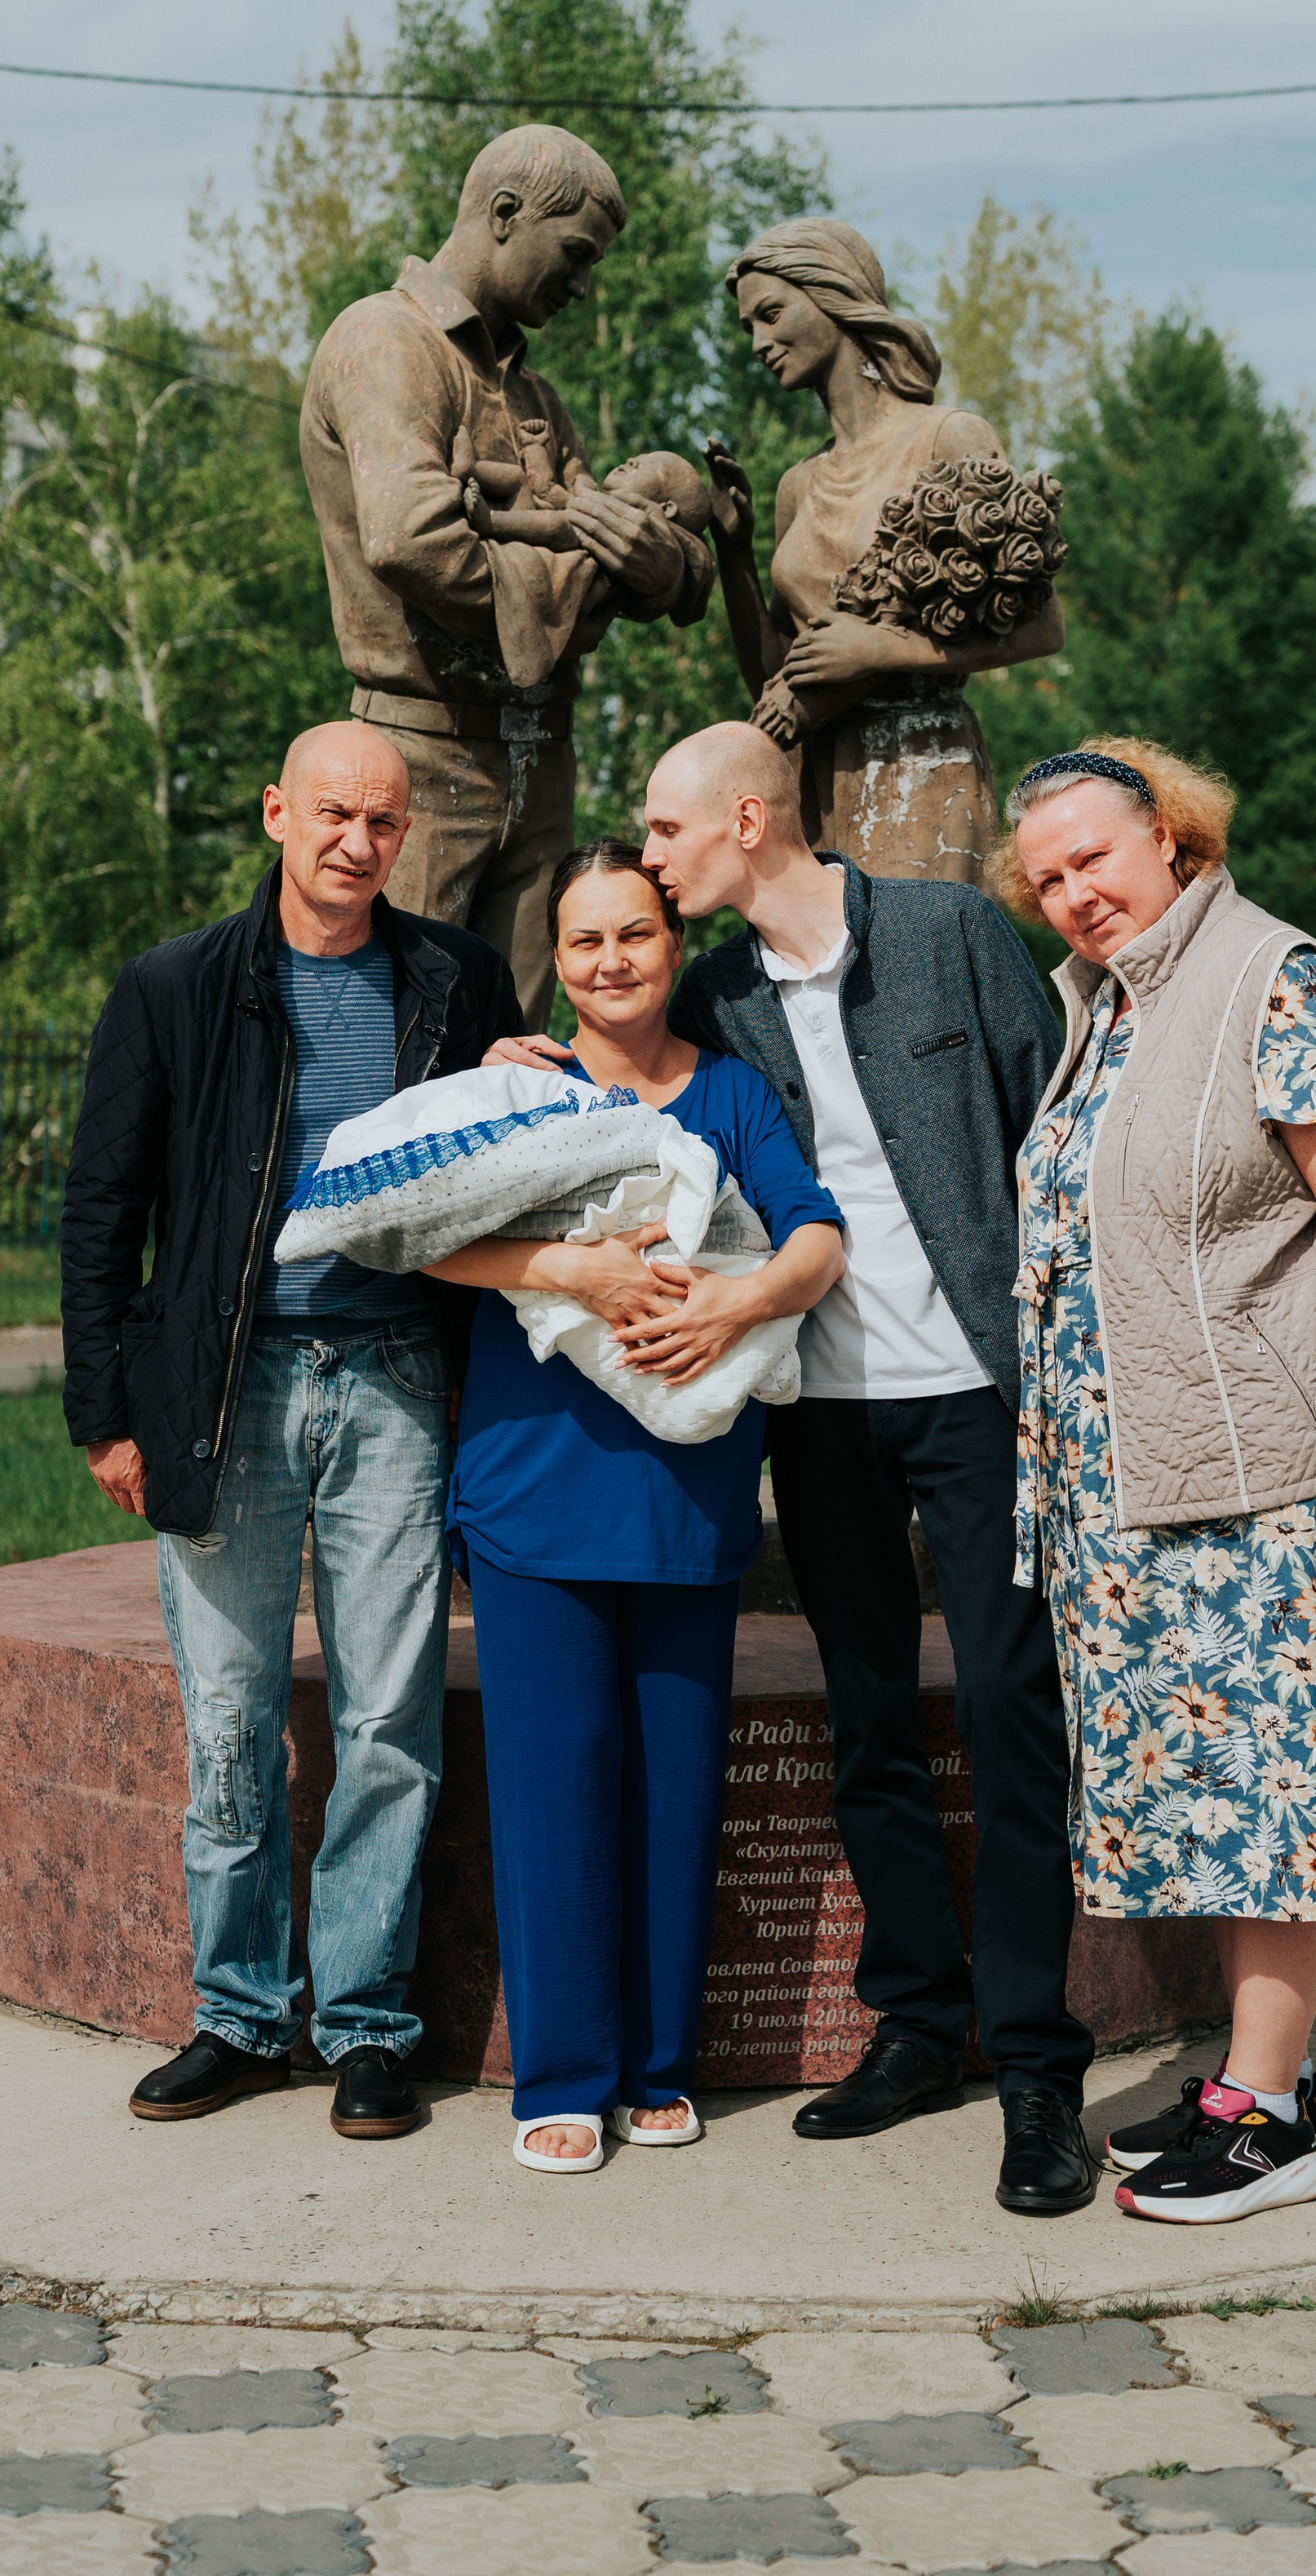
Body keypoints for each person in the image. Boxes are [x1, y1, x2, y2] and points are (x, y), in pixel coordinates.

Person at [631, 723, 1101, 2219]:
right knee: (869, 1719)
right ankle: (917, 2024)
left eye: (663, 831)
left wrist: (1067, 1373)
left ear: (746, 818)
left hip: (976, 1392)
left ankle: (1037, 2068)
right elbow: (620, 1085)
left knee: (1018, 1722)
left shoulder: (954, 934)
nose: (651, 857)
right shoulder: (714, 994)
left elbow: (1060, 1140)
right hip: (819, 1412)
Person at [998, 738, 1316, 2224]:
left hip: (1264, 1479)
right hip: (1146, 1484)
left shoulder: (1273, 974)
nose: (1073, 893)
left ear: (1174, 841)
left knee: (1268, 1798)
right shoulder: (1112, 1005)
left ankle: (1270, 2122)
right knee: (1221, 1802)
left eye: (1096, 859)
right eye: (1048, 876)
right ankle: (1267, 2077)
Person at [60, 723, 521, 2138]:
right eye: (333, 813)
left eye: (383, 822)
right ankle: (241, 2016)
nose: (357, 842)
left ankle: (371, 2026)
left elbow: (496, 1166)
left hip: (392, 1379)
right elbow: (103, 1207)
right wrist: (106, 1412)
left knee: (388, 1717)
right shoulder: (178, 986)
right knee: (232, 1715)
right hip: (227, 1389)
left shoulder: (454, 978)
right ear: (276, 814)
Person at [421, 840, 845, 2175]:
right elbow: (421, 1235)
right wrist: (572, 1270)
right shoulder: (514, 1089)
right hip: (531, 1491)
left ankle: (660, 2063)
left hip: (685, 1498)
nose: (612, 962)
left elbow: (817, 1231)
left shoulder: (732, 1094)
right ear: (557, 958)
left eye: (637, 936)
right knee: (553, 1791)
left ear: (675, 949)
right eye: (587, 940)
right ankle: (559, 2074)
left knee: (673, 1793)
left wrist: (741, 1295)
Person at [298, 123, 713, 1023]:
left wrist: (653, 561)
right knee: (394, 1045)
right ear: (502, 214)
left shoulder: (536, 399)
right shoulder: (387, 340)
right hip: (419, 758)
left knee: (515, 1049)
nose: (582, 283)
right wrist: (580, 585)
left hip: (540, 755)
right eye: (573, 253)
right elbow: (413, 543)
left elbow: (656, 562)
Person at [700, 216, 1065, 887]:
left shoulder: (947, 437)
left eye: (772, 314)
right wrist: (733, 553)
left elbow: (1044, 628)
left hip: (920, 766)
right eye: (749, 325)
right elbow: (776, 682)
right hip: (814, 780)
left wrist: (880, 650)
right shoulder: (798, 485)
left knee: (913, 975)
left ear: (834, 296)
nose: (758, 342)